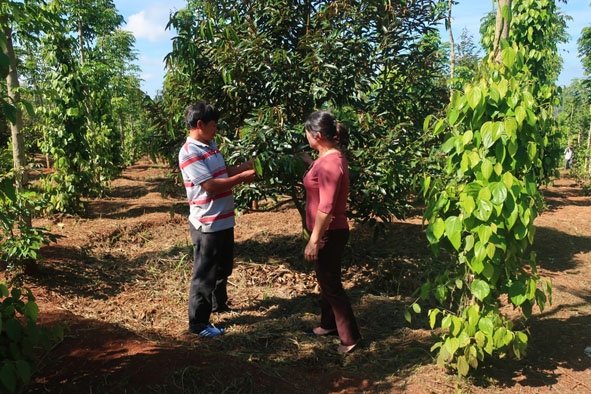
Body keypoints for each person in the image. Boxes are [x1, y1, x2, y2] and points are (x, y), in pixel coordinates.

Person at [178, 102, 257, 338]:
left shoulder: (210, 146)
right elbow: (210, 185)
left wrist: (247, 166)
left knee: (223, 267)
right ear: (200, 124)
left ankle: (218, 305)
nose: (216, 130)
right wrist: (243, 177)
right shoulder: (189, 152)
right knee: (204, 274)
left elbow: (223, 173)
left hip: (224, 220)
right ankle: (198, 325)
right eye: (213, 125)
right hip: (207, 223)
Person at [301, 110, 362, 354]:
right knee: (325, 281)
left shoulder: (330, 163)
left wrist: (313, 241)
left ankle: (351, 338)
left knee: (331, 285)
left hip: (329, 232)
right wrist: (308, 161)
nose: (305, 137)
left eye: (307, 133)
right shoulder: (326, 157)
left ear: (316, 135)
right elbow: (322, 173)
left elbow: (326, 207)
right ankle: (327, 325)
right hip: (328, 231)